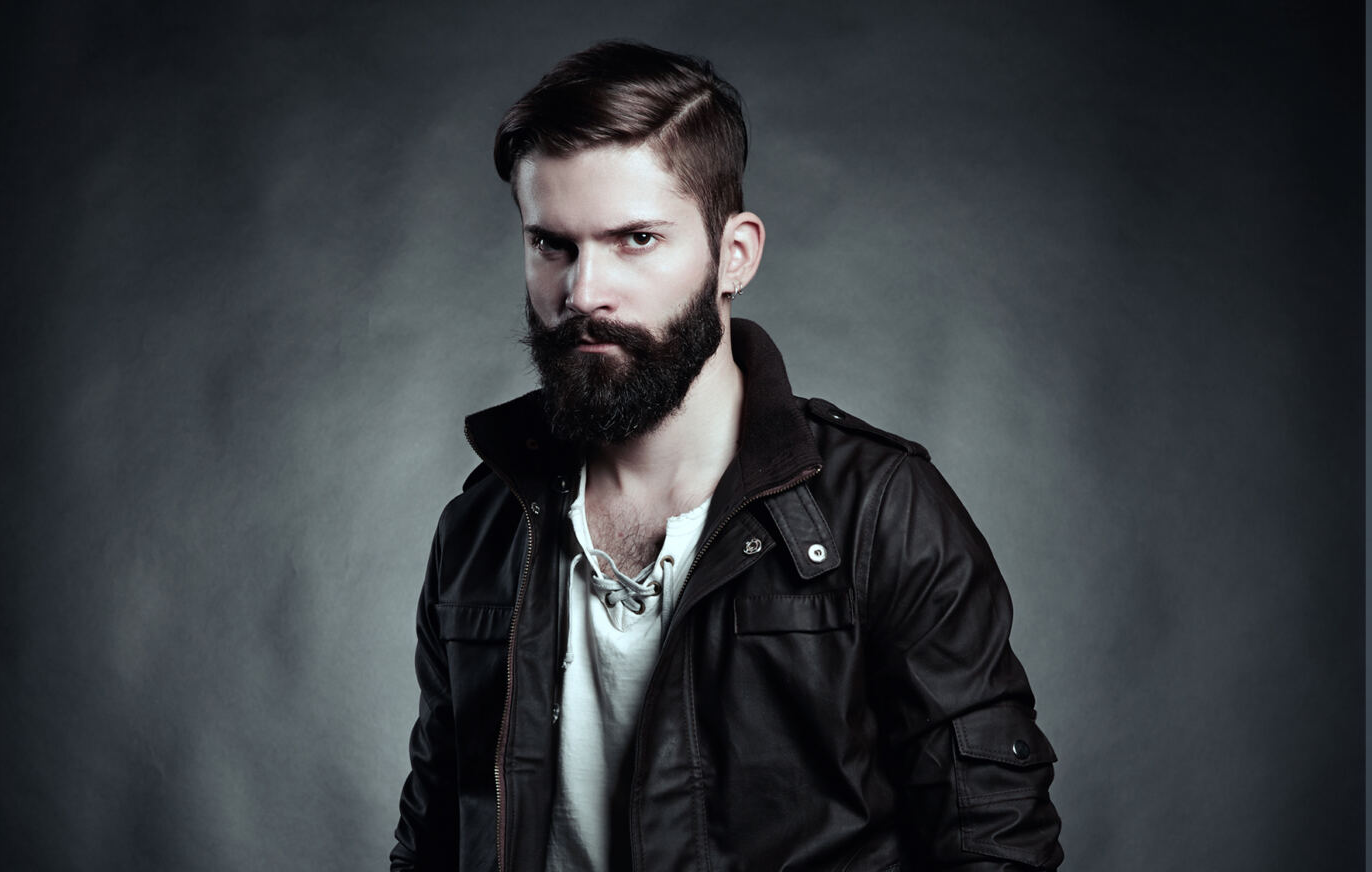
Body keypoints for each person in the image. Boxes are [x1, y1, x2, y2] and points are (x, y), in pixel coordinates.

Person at [392, 40, 1063, 872]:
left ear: (734, 255)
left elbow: (994, 840)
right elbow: (432, 840)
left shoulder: (881, 511)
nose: (584, 292)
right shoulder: (480, 531)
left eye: (637, 239)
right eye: (552, 245)